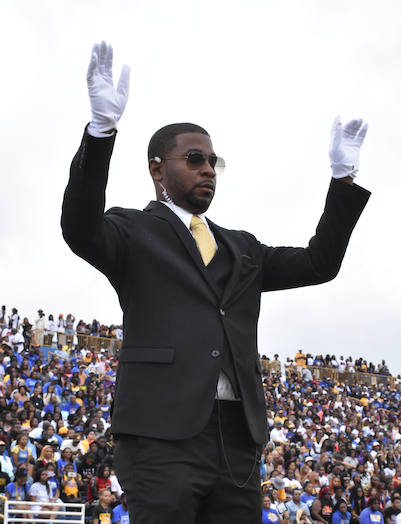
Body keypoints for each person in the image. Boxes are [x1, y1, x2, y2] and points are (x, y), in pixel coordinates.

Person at [61, 41, 370, 524]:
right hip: (161, 436)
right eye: (194, 158)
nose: (208, 168)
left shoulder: (242, 246)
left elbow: (319, 263)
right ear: (157, 169)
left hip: (237, 439)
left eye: (213, 161)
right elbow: (79, 228)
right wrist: (101, 132)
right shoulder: (131, 231)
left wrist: (343, 178)